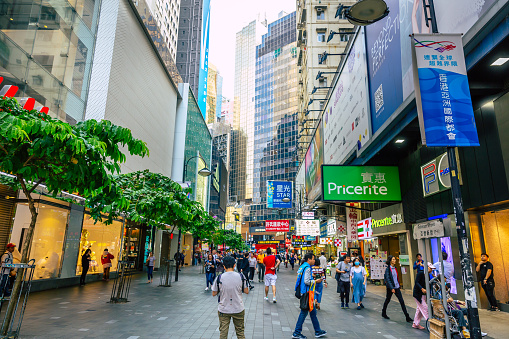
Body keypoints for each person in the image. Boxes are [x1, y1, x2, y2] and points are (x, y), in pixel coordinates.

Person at [212, 256, 249, 339]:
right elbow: (246, 291)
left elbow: (214, 293)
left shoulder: (219, 278)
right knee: (240, 333)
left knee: (223, 333)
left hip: (223, 309)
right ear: (234, 265)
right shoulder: (241, 276)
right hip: (238, 308)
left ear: (224, 266)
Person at [292, 252, 327, 339]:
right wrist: (316, 281)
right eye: (313, 259)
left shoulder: (302, 267)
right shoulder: (307, 268)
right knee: (304, 312)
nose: (314, 260)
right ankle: (296, 332)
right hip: (307, 293)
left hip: (304, 292)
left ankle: (318, 331)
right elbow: (306, 281)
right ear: (309, 259)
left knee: (313, 312)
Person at [381, 256, 413, 322]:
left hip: (397, 287)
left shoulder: (395, 268)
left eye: (395, 259)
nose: (395, 260)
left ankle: (407, 316)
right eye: (393, 259)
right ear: (390, 261)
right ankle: (383, 312)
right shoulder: (388, 269)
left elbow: (396, 278)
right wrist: (392, 288)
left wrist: (398, 285)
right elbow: (388, 279)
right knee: (388, 299)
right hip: (391, 288)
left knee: (402, 301)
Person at [412, 262, 435, 329]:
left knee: (419, 309)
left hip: (423, 295)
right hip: (418, 294)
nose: (431, 270)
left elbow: (428, 285)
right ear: (427, 267)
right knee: (425, 308)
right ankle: (430, 323)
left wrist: (429, 294)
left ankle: (415, 323)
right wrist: (422, 288)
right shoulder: (421, 273)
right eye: (431, 268)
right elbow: (416, 282)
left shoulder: (428, 275)